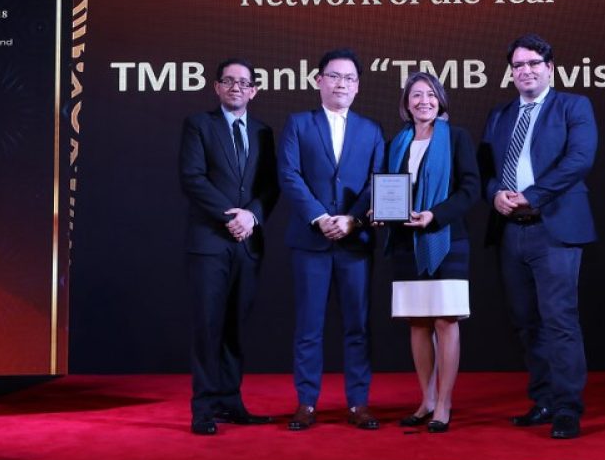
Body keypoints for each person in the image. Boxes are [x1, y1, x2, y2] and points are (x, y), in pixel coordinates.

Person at [478, 33, 597, 439]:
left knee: (559, 319)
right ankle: (543, 399)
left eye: (533, 63)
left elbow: (579, 159)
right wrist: (495, 194)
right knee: (526, 322)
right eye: (518, 65)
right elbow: (485, 169)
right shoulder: (500, 114)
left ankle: (567, 408)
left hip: (554, 228)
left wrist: (533, 195)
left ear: (549, 68)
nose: (525, 71)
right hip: (510, 231)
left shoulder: (573, 106)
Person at [278, 48, 385, 431]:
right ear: (319, 80)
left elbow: (377, 182)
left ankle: (358, 403)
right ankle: (307, 403)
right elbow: (289, 175)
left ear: (358, 87)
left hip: (354, 243)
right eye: (335, 76)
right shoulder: (298, 124)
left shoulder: (372, 130)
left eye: (350, 78)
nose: (342, 84)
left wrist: (352, 220)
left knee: (358, 326)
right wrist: (321, 217)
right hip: (311, 241)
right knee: (309, 327)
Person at [180, 58, 280, 435]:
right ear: (217, 87)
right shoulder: (198, 125)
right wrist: (232, 217)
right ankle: (204, 408)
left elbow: (270, 186)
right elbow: (192, 178)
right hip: (210, 243)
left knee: (235, 326)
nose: (236, 87)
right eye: (229, 81)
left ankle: (230, 401)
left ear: (254, 90)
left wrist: (252, 215)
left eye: (244, 82)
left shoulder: (264, 131)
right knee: (208, 326)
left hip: (248, 243)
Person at [384, 72, 479, 433]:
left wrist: (434, 215)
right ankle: (426, 399)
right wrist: (382, 211)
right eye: (416, 95)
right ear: (406, 103)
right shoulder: (397, 142)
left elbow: (470, 189)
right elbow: (389, 189)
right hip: (406, 241)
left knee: (445, 321)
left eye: (430, 95)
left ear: (440, 101)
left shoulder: (456, 137)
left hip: (446, 238)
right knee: (418, 322)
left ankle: (444, 403)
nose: (424, 101)